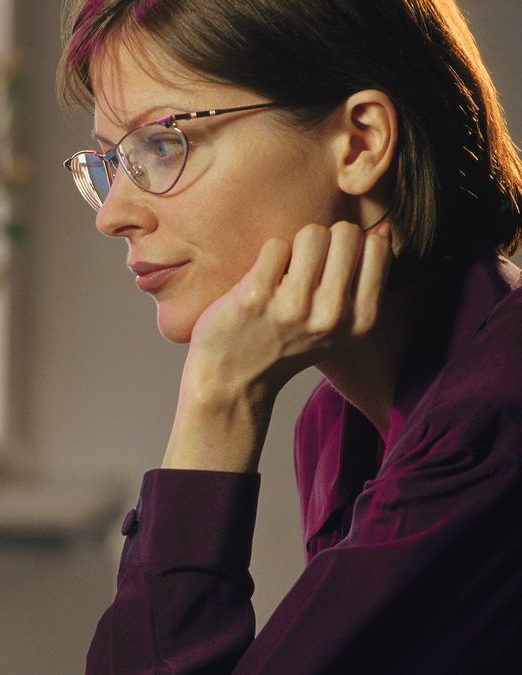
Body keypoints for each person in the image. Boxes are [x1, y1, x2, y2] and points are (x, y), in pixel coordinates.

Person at [57, 0, 522, 672]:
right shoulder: (338, 420)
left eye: (160, 145)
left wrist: (220, 396)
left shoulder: (493, 422)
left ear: (360, 142)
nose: (115, 215)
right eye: (108, 163)